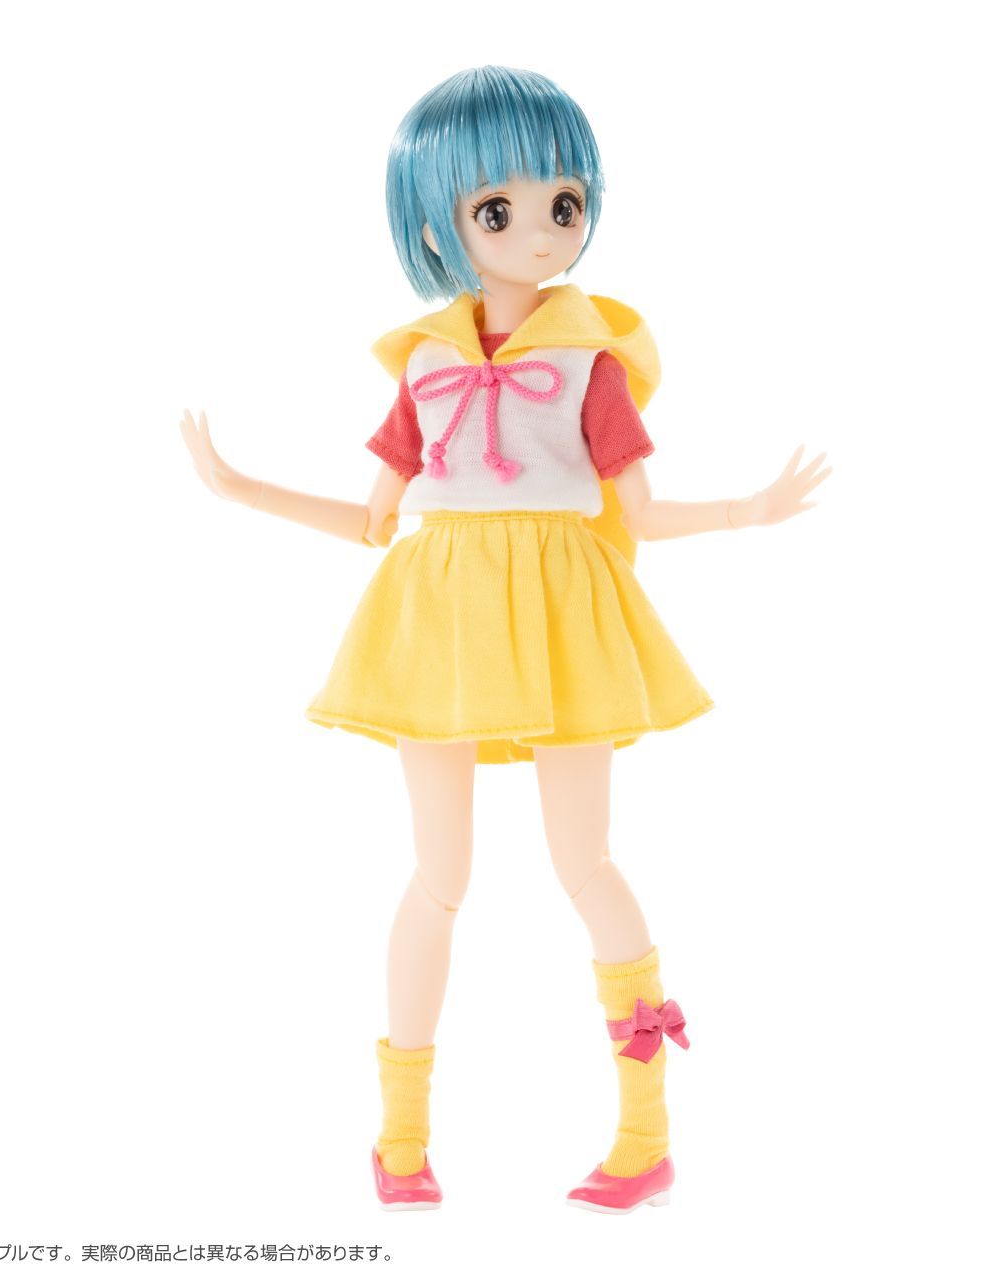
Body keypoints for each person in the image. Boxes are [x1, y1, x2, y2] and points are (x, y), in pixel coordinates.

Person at [179, 65, 829, 1213]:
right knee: (438, 875)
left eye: (561, 203)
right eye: (498, 208)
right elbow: (374, 520)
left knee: (585, 862)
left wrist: (747, 510)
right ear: (438, 224)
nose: (538, 230)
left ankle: (644, 1133)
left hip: (563, 614)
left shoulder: (589, 356)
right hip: (437, 617)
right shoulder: (424, 362)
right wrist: (239, 487)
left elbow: (636, 512)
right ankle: (399, 1138)